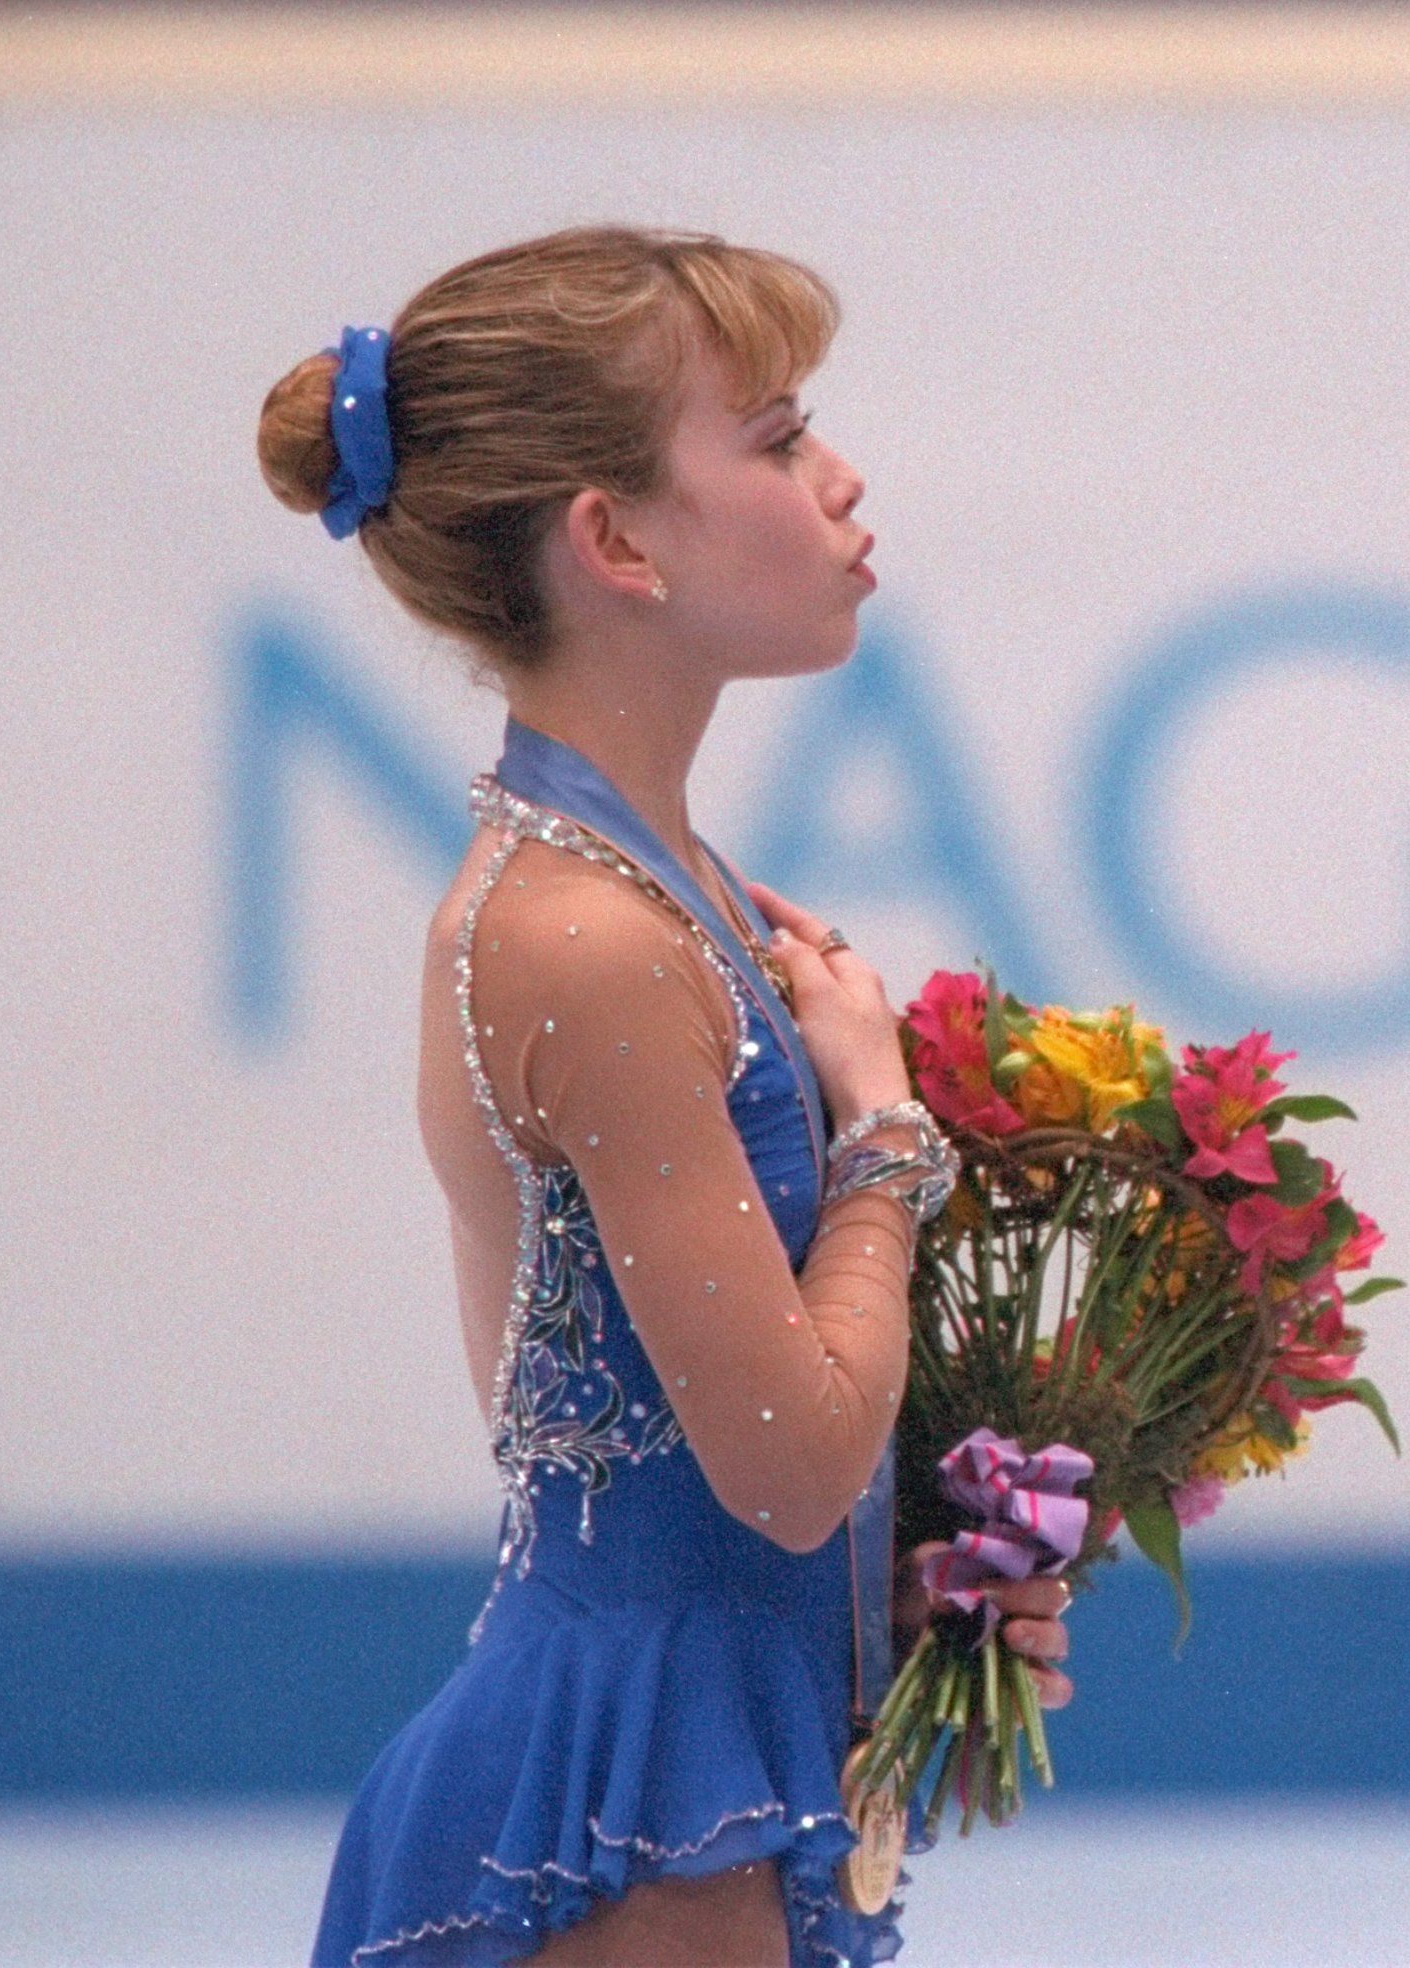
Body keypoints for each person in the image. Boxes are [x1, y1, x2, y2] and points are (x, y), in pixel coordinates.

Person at [261, 225, 1071, 1967]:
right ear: (614, 539)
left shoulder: (650, 884)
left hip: (691, 1767)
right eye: (775, 438)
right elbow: (778, 1465)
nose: (839, 476)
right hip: (616, 1817)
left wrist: (905, 1581)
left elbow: (586, 1414)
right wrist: (884, 1133)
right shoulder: (582, 934)